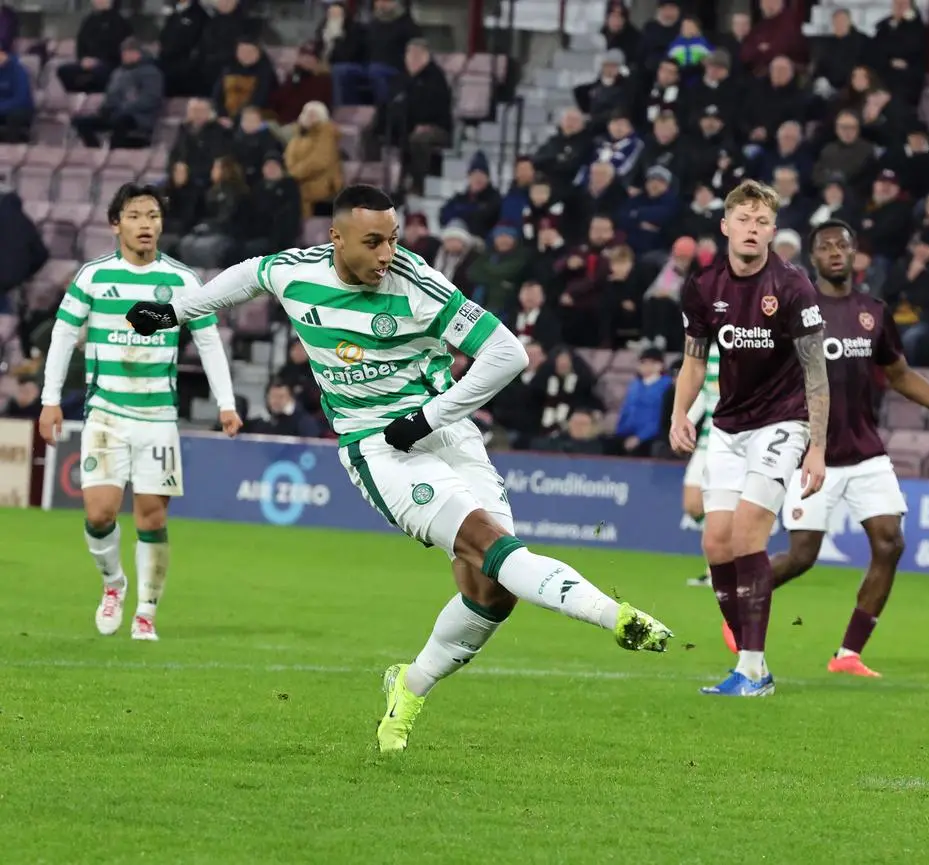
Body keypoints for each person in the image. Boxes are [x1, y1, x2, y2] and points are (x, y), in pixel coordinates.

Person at [123, 184, 672, 752]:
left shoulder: (417, 285)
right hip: (377, 449)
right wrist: (175, 311)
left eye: (393, 239)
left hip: (445, 432)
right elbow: (251, 274)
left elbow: (508, 353)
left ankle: (407, 686)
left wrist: (431, 416)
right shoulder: (298, 273)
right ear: (335, 238)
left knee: (491, 593)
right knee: (492, 548)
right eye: (373, 241)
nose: (388, 253)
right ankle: (615, 616)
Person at [719, 221, 929, 674]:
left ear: (856, 255)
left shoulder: (872, 312)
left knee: (890, 543)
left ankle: (848, 654)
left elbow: (899, 375)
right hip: (809, 452)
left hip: (865, 453)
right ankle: (739, 605)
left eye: (843, 245)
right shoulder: (793, 308)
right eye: (826, 247)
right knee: (802, 556)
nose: (835, 252)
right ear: (812, 259)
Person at [37, 183, 241, 642]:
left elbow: (208, 341)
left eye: (152, 215)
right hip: (106, 413)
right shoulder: (91, 277)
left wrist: (226, 404)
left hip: (157, 418)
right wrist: (50, 399)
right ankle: (114, 585)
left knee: (152, 518)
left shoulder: (183, 281)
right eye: (134, 215)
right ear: (116, 224)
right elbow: (63, 337)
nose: (146, 224)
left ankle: (146, 611)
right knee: (100, 514)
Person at [668, 179, 830, 698]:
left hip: (783, 423)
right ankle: (749, 657)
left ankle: (754, 669)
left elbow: (816, 373)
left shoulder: (792, 286)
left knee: (746, 535)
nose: (753, 229)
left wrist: (819, 446)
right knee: (714, 541)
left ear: (773, 231)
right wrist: (680, 414)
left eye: (762, 222)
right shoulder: (704, 286)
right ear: (726, 227)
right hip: (729, 426)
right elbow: (694, 360)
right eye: (744, 220)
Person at [682, 342, 719, 588]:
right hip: (707, 441)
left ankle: (717, 570)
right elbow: (704, 393)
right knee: (693, 504)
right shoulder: (709, 352)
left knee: (722, 510)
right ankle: (720, 563)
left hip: (735, 443)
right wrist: (684, 422)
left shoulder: (749, 344)